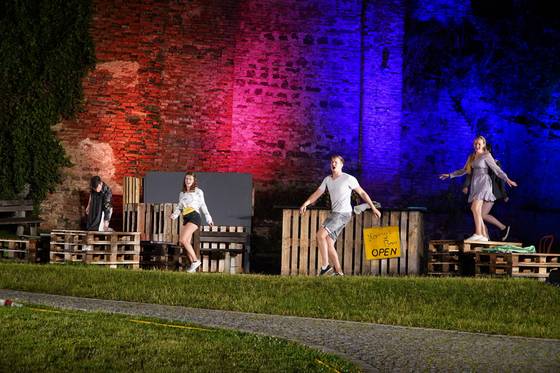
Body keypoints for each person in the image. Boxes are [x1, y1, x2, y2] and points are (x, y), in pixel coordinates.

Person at [299, 155, 381, 276]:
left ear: (342, 165)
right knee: (328, 241)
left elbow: (362, 193)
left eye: (336, 162)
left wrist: (373, 207)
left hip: (343, 214)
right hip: (336, 213)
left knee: (320, 235)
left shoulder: (348, 178)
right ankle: (339, 272)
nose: (333, 164)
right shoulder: (327, 180)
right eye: (332, 162)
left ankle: (325, 266)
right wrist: (306, 203)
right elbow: (317, 193)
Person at [440, 136, 517, 242]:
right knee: (475, 210)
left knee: (475, 208)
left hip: (484, 183)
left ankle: (478, 233)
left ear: (484, 144)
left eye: (479, 144)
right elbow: (464, 170)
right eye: (475, 144)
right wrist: (449, 175)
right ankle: (484, 236)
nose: (477, 146)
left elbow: (497, 170)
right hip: (475, 185)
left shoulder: (486, 155)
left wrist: (507, 179)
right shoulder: (471, 156)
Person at [462, 143, 511, 240]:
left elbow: (499, 178)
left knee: (480, 213)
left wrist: (504, 194)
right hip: (479, 190)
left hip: (490, 192)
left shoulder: (494, 162)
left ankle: (499, 229)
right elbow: (469, 173)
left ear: (488, 151)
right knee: (478, 213)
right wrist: (466, 185)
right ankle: (485, 235)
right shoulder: (477, 161)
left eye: (485, 150)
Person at [169, 172, 214, 273]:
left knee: (183, 240)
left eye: (190, 179)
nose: (188, 181)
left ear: (194, 181)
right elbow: (179, 207)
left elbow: (203, 205)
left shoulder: (198, 191)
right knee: (186, 243)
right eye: (186, 179)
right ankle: (193, 268)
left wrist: (209, 219)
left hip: (194, 216)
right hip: (186, 217)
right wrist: (174, 215)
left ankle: (195, 261)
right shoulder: (182, 193)